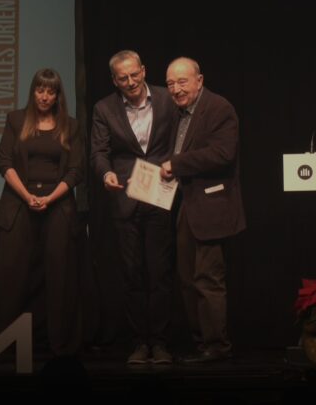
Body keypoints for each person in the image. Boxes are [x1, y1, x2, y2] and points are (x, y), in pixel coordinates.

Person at [0, 68, 84, 356]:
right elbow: (5, 162)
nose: (44, 96)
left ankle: (61, 347)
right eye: (40, 90)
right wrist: (28, 196)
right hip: (19, 202)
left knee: (60, 277)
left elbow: (75, 170)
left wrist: (50, 198)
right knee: (10, 275)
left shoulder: (71, 126)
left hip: (58, 205)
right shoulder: (16, 120)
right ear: (33, 92)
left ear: (57, 96)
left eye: (50, 92)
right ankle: (1, 345)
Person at [90, 50, 178, 364]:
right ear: (114, 81)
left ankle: (161, 343)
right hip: (125, 196)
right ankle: (140, 342)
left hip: (160, 192)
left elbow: (182, 138)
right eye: (123, 78)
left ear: (143, 70)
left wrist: (177, 164)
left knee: (160, 273)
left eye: (134, 75)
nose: (130, 82)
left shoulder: (167, 99)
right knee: (132, 275)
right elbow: (99, 151)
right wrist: (106, 174)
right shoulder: (104, 108)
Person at [160, 57, 246, 363]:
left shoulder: (219, 108)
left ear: (199, 80)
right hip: (186, 205)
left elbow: (222, 154)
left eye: (182, 82)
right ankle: (201, 343)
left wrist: (176, 164)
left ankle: (217, 346)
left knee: (208, 279)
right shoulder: (178, 114)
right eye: (170, 84)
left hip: (212, 207)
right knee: (187, 279)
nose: (176, 89)